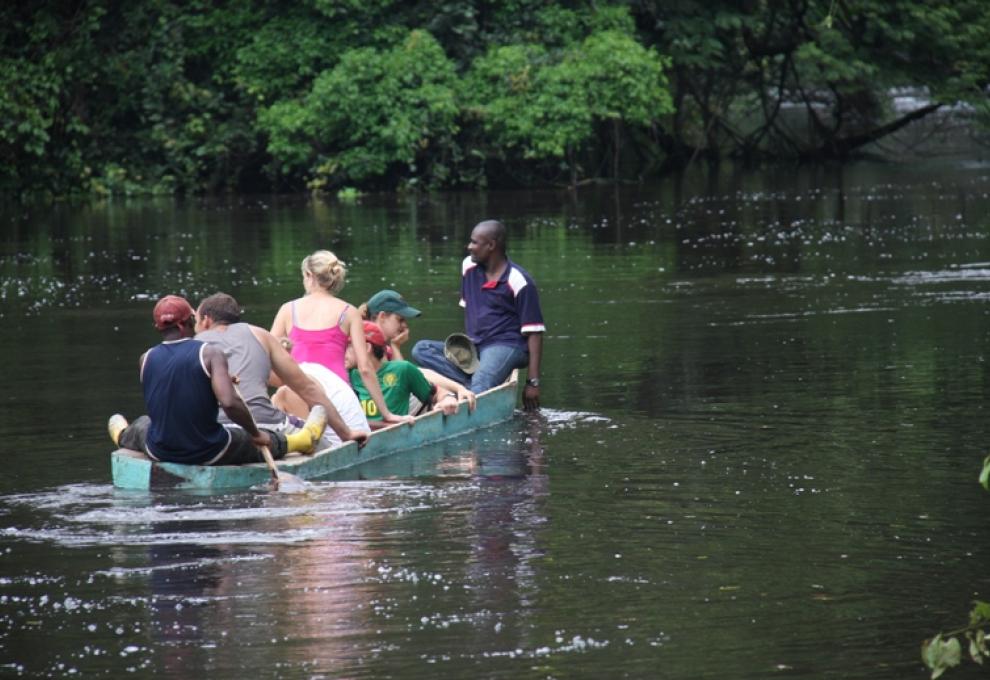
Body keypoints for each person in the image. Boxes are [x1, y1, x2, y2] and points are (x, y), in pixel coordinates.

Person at [107, 295, 327, 465]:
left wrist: (212, 379)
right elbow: (230, 403)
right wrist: (254, 432)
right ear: (188, 322)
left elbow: (174, 391)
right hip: (207, 449)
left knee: (144, 424)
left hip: (161, 449)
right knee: (252, 437)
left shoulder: (145, 359)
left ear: (158, 327)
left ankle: (123, 435)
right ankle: (302, 440)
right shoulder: (209, 353)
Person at [193, 292, 368, 449]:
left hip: (212, 432)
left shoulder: (193, 346)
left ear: (206, 320)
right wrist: (346, 434)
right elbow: (306, 388)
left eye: (196, 321)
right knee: (326, 446)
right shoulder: (260, 334)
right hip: (265, 424)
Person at [411, 219, 545, 410]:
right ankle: (471, 385)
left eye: (475, 242)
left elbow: (535, 333)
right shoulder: (468, 267)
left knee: (481, 382)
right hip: (476, 346)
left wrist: (533, 382)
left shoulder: (519, 280)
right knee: (421, 350)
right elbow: (473, 313)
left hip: (507, 344)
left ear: (491, 246)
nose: (469, 247)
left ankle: (478, 386)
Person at [270, 250, 412, 425]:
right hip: (339, 398)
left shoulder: (287, 310)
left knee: (281, 396)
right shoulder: (349, 312)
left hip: (300, 394)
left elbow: (267, 361)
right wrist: (387, 414)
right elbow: (365, 368)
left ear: (309, 275)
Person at [360, 288, 477, 410]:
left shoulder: (386, 349)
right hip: (372, 407)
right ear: (382, 316)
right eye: (400, 319)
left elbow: (408, 373)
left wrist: (396, 347)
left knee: (439, 392)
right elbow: (405, 377)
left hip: (384, 403)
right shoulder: (363, 345)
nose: (404, 326)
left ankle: (460, 390)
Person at [348, 321, 455, 429]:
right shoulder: (347, 376)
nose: (342, 351)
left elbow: (435, 393)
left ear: (366, 348)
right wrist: (384, 425)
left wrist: (447, 398)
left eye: (348, 346)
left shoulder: (402, 369)